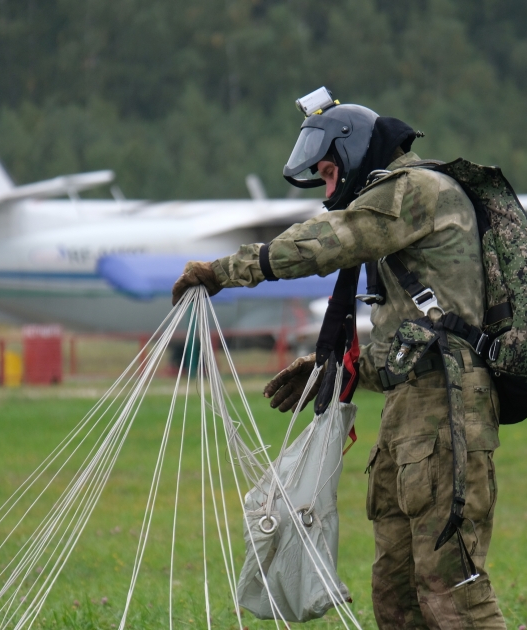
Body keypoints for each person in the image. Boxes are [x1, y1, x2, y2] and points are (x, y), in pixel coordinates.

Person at [172, 92, 508, 629]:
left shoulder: (412, 191)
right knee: (396, 598)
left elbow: (328, 241)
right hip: (410, 414)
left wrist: (225, 271)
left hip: (448, 413)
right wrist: (338, 369)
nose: (329, 193)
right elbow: (413, 342)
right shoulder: (394, 220)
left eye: (328, 175)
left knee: (451, 593)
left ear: (352, 156)